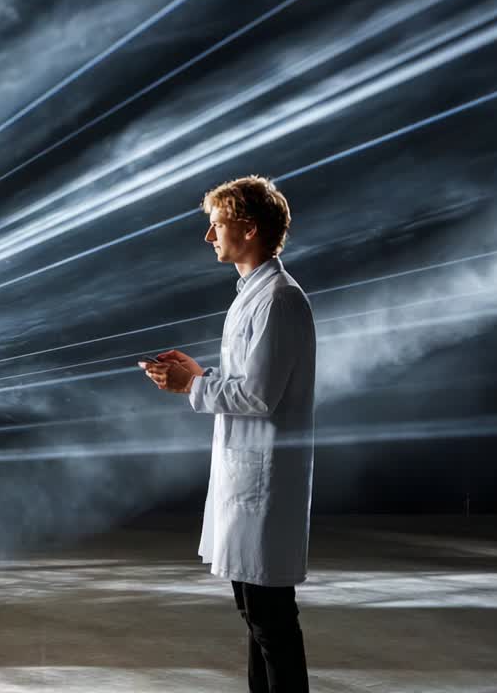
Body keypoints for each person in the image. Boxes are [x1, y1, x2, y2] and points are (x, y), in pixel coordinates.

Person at [140, 175, 316, 692]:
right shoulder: (255, 295)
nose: (208, 236)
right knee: (257, 616)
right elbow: (247, 383)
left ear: (249, 227)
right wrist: (198, 376)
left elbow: (259, 395)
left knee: (271, 621)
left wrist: (190, 387)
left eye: (216, 224)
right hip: (250, 477)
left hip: (264, 485)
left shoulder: (279, 300)